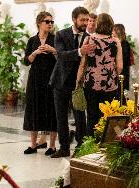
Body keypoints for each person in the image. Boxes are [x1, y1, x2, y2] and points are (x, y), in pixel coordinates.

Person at [50, 6, 95, 158]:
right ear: (74, 19)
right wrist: (80, 51)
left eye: (87, 20)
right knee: (61, 116)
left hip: (79, 84)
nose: (85, 23)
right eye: (82, 19)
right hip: (60, 81)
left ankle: (81, 147)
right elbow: (61, 55)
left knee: (80, 116)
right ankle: (63, 147)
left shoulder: (90, 37)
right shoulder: (61, 34)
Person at [76, 13, 123, 136]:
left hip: (91, 84)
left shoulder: (89, 39)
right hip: (110, 84)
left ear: (98, 24)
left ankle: (90, 147)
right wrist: (111, 74)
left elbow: (82, 64)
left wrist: (78, 81)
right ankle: (105, 146)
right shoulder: (116, 41)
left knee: (91, 116)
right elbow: (120, 66)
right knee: (108, 117)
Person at [23, 11, 57, 156]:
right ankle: (33, 144)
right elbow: (26, 61)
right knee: (33, 109)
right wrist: (35, 53)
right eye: (47, 21)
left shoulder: (55, 39)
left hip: (51, 79)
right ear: (39, 23)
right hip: (35, 80)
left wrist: (52, 50)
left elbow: (62, 58)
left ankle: (53, 145)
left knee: (52, 110)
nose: (50, 24)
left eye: (51, 22)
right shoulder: (32, 40)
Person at [113, 24, 131, 91]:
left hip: (123, 72)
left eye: (113, 31)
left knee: (121, 91)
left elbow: (125, 59)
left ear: (118, 31)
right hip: (115, 71)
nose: (111, 32)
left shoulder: (125, 44)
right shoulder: (114, 43)